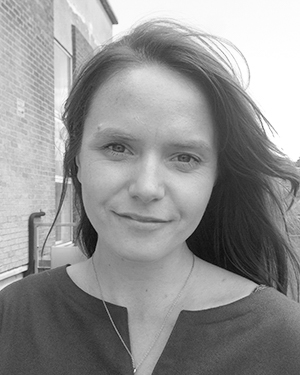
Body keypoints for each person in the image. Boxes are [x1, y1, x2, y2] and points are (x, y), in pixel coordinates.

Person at [1, 19, 300, 375]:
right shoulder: (11, 316)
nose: (146, 187)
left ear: (217, 176)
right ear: (77, 159)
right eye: (118, 147)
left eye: (185, 157)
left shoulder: (284, 338)